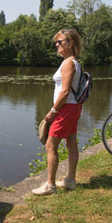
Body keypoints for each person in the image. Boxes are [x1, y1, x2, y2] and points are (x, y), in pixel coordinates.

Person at [32, 28, 83, 196]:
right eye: (57, 42)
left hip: (65, 108)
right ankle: (70, 180)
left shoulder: (68, 63)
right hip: (73, 107)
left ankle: (50, 185)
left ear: (70, 43)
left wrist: (53, 111)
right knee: (71, 142)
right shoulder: (74, 61)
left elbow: (65, 91)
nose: (57, 44)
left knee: (50, 145)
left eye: (60, 42)